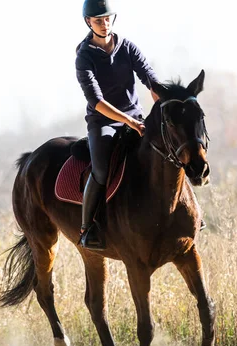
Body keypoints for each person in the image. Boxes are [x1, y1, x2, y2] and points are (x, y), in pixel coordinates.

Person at [76, 0, 160, 250]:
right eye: (98, 20)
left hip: (136, 117)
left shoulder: (127, 47)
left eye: (107, 18)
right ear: (88, 22)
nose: (104, 24)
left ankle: (190, 210)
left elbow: (150, 79)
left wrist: (164, 102)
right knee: (101, 170)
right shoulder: (84, 57)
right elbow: (97, 101)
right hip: (104, 122)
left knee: (168, 147)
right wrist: (129, 121)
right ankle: (87, 227)